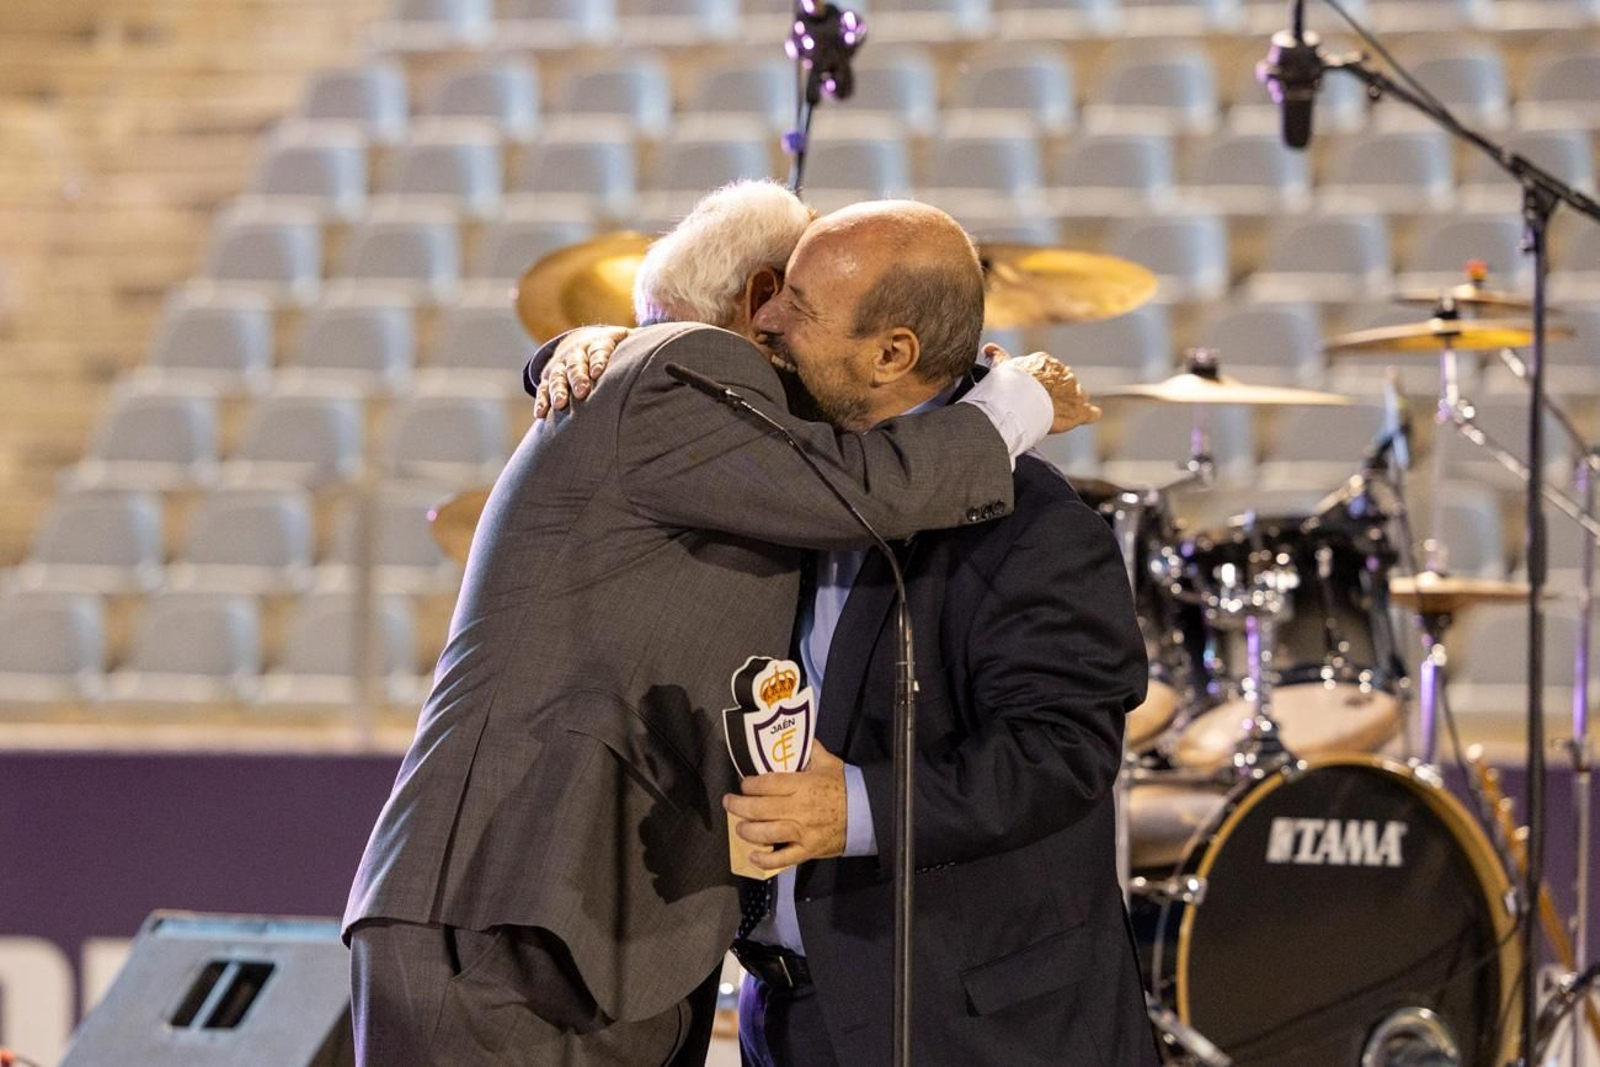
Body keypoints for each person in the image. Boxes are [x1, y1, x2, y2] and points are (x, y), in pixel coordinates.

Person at [343, 181, 1092, 1067]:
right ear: (759, 296)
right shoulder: (686, 365)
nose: (788, 331)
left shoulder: (686, 404)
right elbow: (870, 489)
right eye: (800, 302)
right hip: (516, 919)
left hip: (590, 931)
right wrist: (1013, 406)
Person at [543, 190, 1158, 1065]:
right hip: (790, 1014)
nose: (767, 320)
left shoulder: (1035, 522)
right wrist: (599, 349)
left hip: (975, 1030)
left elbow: (1061, 755)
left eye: (797, 305)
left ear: (891, 354)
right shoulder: (778, 476)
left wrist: (858, 806)